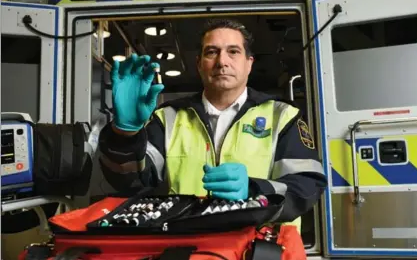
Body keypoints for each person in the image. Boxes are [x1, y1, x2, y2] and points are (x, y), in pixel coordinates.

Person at [98, 18, 327, 225]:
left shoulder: (281, 116)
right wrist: (125, 133)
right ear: (199, 64)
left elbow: (306, 186)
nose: (222, 61)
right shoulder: (167, 117)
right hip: (189, 245)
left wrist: (254, 188)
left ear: (249, 63)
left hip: (260, 248)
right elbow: (129, 181)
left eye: (233, 51)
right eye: (212, 52)